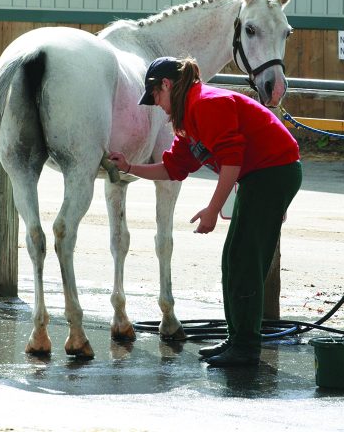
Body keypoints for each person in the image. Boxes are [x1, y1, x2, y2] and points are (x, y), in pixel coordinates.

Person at [109, 56, 302, 368]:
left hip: (273, 172)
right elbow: (174, 167)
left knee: (245, 259)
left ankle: (246, 346)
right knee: (235, 258)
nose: (156, 104)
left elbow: (232, 159)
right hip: (261, 175)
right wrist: (129, 167)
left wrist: (213, 210)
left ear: (167, 85)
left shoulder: (207, 104)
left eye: (155, 96)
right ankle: (238, 339)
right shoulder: (188, 119)